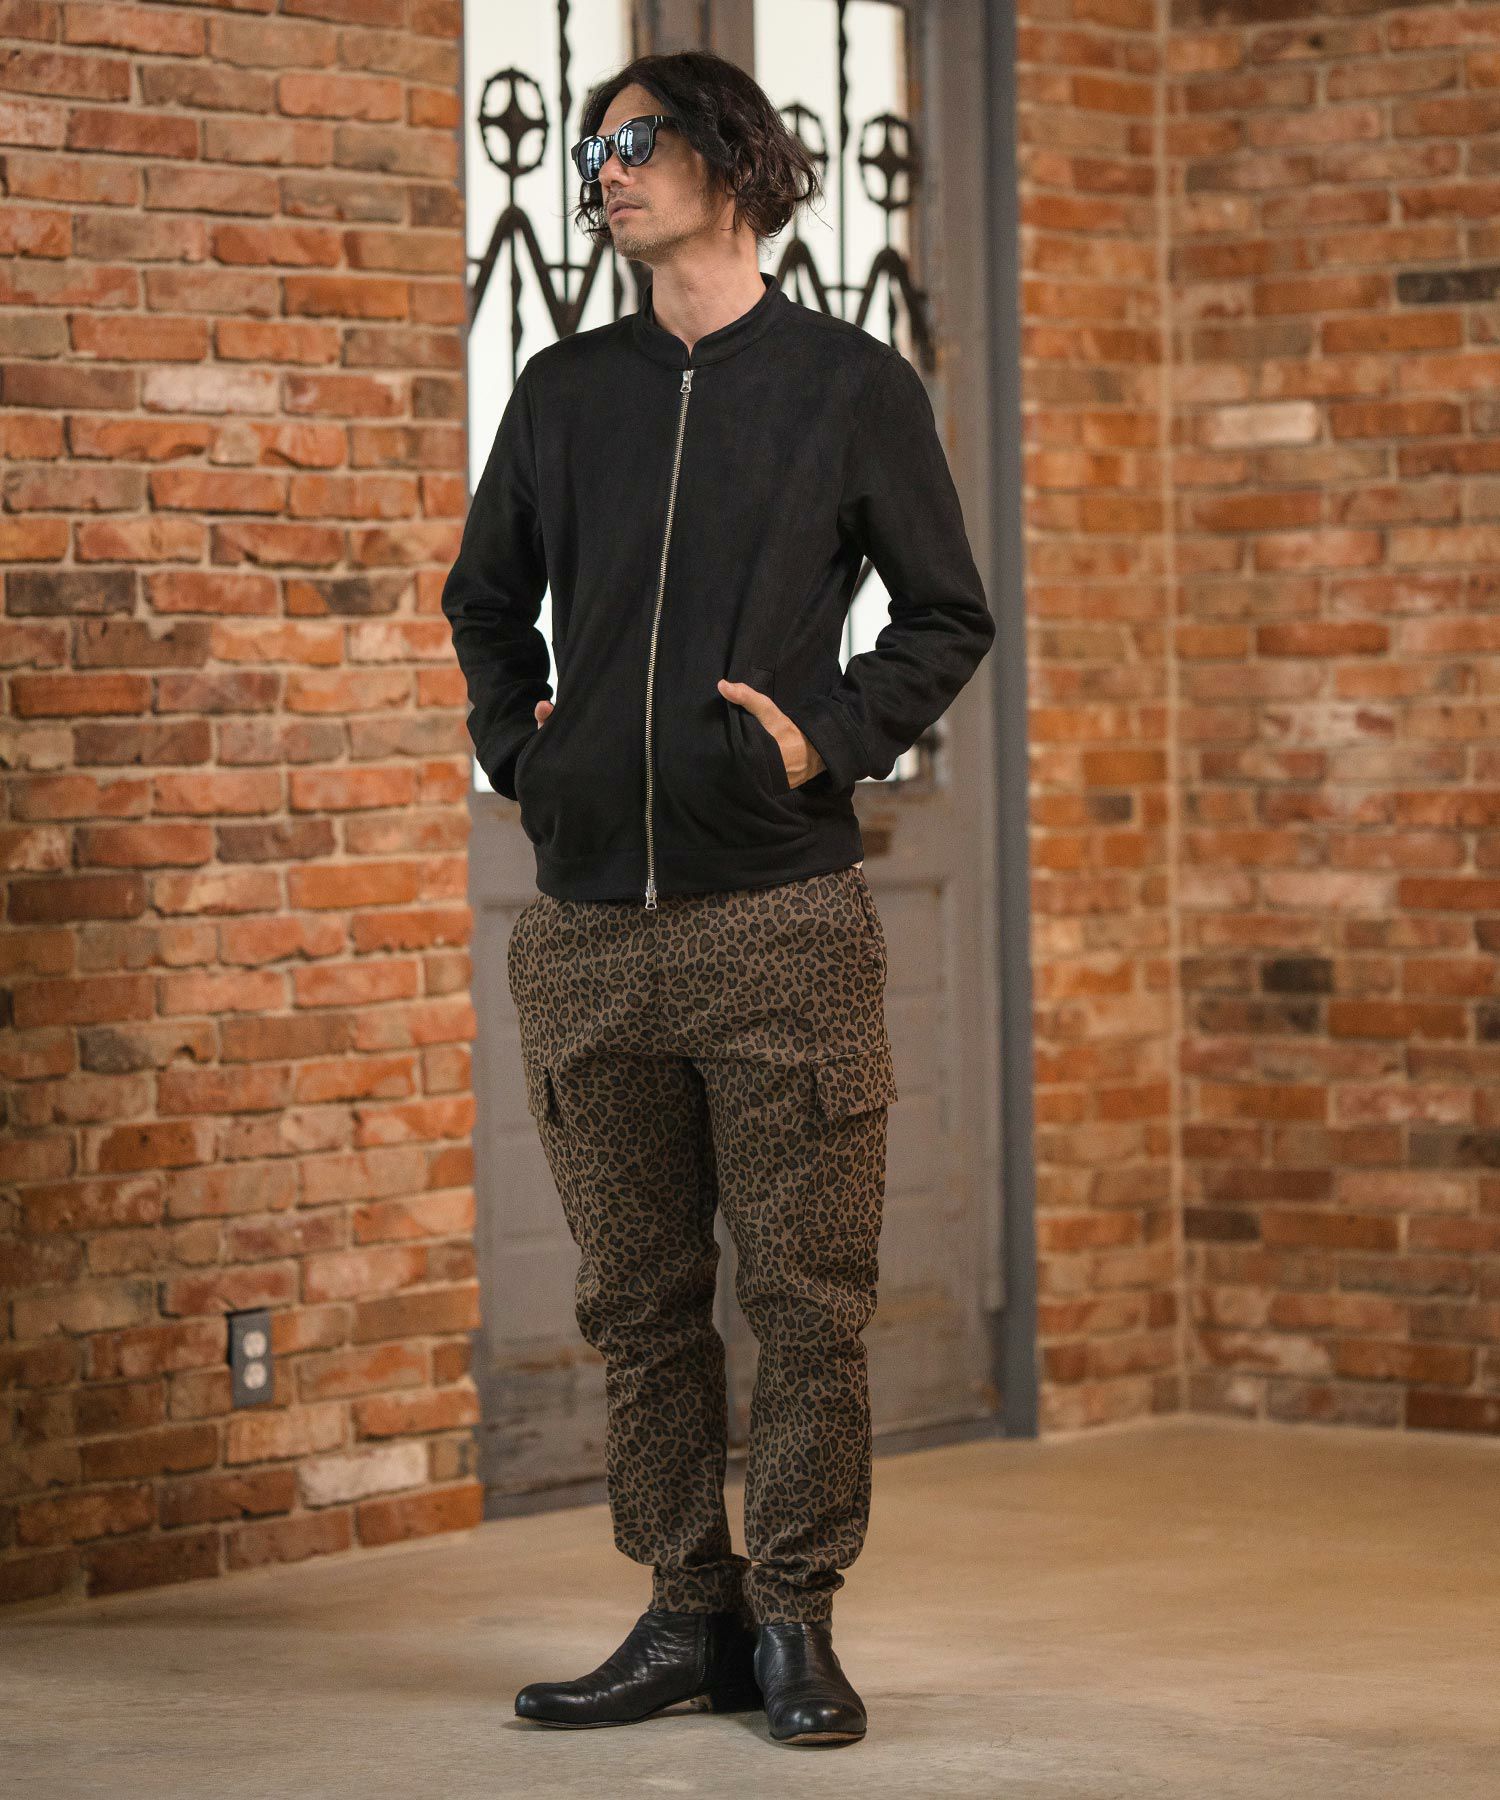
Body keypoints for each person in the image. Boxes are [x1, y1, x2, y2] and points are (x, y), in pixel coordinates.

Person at [440, 49, 994, 1748]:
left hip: (780, 924)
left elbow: (946, 615)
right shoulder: (564, 390)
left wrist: (826, 737)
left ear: (733, 162)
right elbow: (483, 601)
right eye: (592, 150)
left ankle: (797, 1619)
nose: (604, 171)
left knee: (807, 1300)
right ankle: (687, 1610)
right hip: (588, 933)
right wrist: (527, 754)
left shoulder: (849, 386)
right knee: (638, 1304)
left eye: (637, 142)